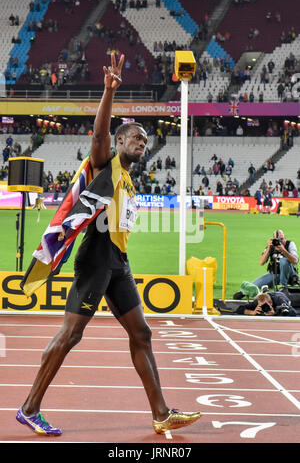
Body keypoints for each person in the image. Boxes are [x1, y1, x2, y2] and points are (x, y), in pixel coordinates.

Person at [16, 53, 201, 436]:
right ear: (119, 142)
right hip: (96, 258)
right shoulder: (106, 163)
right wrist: (108, 92)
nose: (141, 143)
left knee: (142, 334)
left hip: (119, 261)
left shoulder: (130, 181)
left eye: (145, 140)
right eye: (135, 137)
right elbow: (99, 135)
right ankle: (30, 408)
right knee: (71, 334)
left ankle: (161, 412)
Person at [234, 230, 299, 299]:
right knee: (256, 284)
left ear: (285, 237)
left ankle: (283, 287)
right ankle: (243, 292)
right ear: (273, 239)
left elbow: (295, 261)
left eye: (282, 239)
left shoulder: (290, 244)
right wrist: (268, 248)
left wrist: (283, 250)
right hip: (275, 274)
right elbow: (261, 262)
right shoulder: (271, 246)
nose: (280, 242)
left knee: (284, 261)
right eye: (278, 240)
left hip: (290, 274)